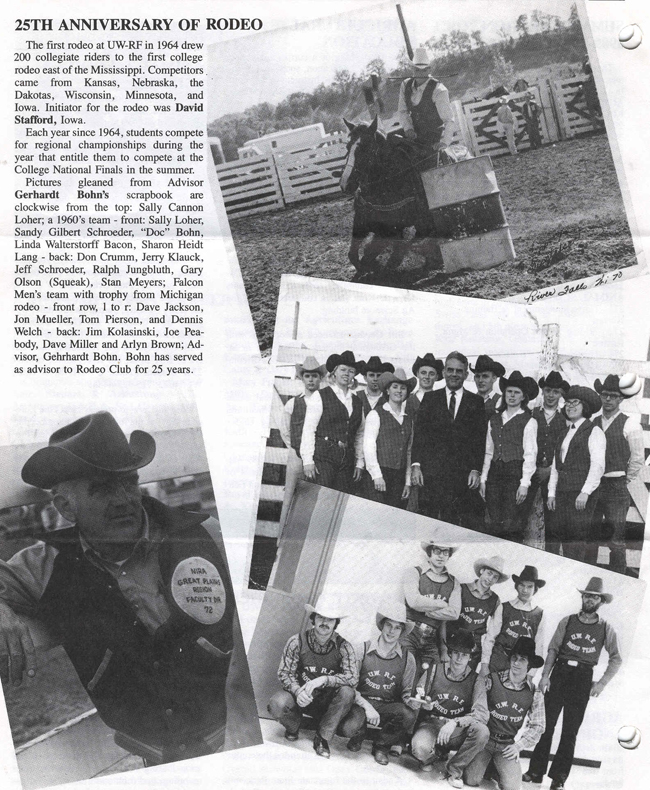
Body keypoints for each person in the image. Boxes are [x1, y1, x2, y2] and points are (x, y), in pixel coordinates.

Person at [0, 411, 257, 765]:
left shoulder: (205, 535)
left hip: (236, 737)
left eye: (128, 482)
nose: (123, 499)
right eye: (102, 489)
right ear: (64, 506)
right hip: (153, 758)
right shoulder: (46, 565)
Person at [524, 577, 622, 790]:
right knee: (546, 726)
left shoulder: (605, 628)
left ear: (601, 601)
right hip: (560, 673)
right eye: (586, 595)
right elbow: (553, 649)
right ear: (582, 597)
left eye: (594, 597)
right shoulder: (567, 621)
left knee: (570, 731)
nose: (589, 600)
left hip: (583, 678)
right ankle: (535, 771)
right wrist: (545, 676)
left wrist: (602, 683)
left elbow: (616, 658)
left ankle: (559, 778)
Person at [268, 593, 358, 759]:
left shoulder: (344, 647)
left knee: (347, 692)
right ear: (314, 618)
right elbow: (284, 672)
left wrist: (324, 679)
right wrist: (297, 691)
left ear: (336, 623)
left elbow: (352, 678)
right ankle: (293, 727)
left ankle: (322, 738)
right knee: (277, 703)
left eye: (330, 619)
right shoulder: (297, 641)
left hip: (327, 703)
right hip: (301, 698)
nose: (325, 623)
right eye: (321, 617)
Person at [411, 351, 487, 526]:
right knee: (426, 522)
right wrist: (416, 465)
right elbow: (420, 435)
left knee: (452, 523)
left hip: (461, 477)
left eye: (459, 371)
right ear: (444, 372)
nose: (454, 374)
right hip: (431, 474)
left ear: (466, 374)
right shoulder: (430, 399)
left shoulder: (475, 402)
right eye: (450, 370)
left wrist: (476, 469)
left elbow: (479, 438)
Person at [339, 602, 418, 765]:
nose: (391, 631)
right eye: (389, 625)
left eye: (397, 627)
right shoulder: (363, 648)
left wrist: (413, 702)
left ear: (402, 631)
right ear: (382, 626)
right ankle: (358, 733)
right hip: (361, 703)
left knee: (408, 714)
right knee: (348, 728)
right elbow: (350, 686)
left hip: (386, 706)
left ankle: (382, 746)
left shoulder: (408, 658)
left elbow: (405, 694)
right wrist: (367, 708)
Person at [465, 637, 545, 790]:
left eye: (522, 659)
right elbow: (476, 707)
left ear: (529, 665)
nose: (516, 663)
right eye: (514, 658)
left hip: (507, 745)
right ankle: (489, 766)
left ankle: (495, 767)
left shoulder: (534, 692)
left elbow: (539, 726)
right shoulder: (492, 680)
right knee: (471, 779)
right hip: (485, 740)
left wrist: (518, 746)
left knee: (513, 787)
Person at [411, 630, 490, 787]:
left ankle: (455, 769)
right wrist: (422, 704)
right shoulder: (434, 670)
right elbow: (417, 697)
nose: (459, 658)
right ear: (450, 653)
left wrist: (455, 722)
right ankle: (436, 754)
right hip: (432, 724)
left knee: (482, 731)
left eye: (464, 655)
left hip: (457, 730)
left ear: (470, 658)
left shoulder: (476, 680)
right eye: (456, 653)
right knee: (419, 749)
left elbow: (481, 715)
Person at [590, 374, 644, 574]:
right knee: (591, 534)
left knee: (616, 539)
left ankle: (617, 578)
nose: (608, 400)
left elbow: (638, 459)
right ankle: (588, 573)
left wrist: (624, 480)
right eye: (605, 395)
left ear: (621, 398)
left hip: (616, 487)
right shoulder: (593, 422)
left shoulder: (630, 424)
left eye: (613, 396)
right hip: (593, 486)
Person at [547, 386, 606, 563]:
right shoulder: (564, 433)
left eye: (576, 403)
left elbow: (597, 465)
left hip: (580, 495)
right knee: (556, 536)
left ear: (585, 407)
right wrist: (551, 493)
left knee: (575, 540)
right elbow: (556, 466)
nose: (570, 406)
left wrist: (585, 492)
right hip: (562, 493)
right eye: (568, 402)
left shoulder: (594, 431)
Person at [480, 372, 539, 542]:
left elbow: (530, 454)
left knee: (511, 523)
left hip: (515, 473)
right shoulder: (494, 419)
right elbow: (488, 451)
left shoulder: (529, 421)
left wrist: (524, 484)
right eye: (509, 392)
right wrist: (484, 479)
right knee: (494, 521)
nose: (512, 396)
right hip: (495, 473)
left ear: (523, 397)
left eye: (516, 392)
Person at [300, 350, 365, 494]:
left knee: (337, 503)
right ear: (334, 373)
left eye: (351, 371)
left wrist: (359, 462)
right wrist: (308, 461)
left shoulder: (357, 402)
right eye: (343, 369)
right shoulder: (320, 396)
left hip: (346, 460)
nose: (346, 374)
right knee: (319, 500)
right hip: (323, 457)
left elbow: (360, 434)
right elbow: (309, 429)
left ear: (354, 375)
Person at [278, 356, 326, 539]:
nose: (311, 379)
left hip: (318, 458)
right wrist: (296, 448)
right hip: (296, 457)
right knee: (289, 497)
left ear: (320, 378)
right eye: (307, 376)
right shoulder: (293, 403)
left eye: (315, 376)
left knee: (314, 498)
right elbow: (285, 430)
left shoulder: (325, 403)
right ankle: (281, 539)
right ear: (302, 378)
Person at [520, 372, 570, 543]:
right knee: (520, 517)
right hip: (530, 472)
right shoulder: (531, 412)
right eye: (547, 390)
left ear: (561, 394)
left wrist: (549, 470)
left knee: (553, 523)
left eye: (555, 392)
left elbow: (567, 450)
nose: (550, 395)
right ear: (542, 391)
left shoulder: (566, 417)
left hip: (552, 475)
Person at [402, 534, 461, 671]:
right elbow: (414, 601)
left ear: (449, 554)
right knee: (405, 670)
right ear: (430, 552)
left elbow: (454, 613)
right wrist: (442, 604)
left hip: (432, 637)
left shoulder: (453, 582)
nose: (441, 556)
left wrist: (425, 610)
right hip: (410, 632)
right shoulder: (414, 572)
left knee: (433, 674)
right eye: (437, 551)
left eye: (445, 552)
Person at [362, 368, 416, 509]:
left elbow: (409, 452)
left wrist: (407, 482)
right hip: (379, 474)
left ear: (407, 393)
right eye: (395, 387)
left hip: (399, 477)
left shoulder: (408, 419)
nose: (399, 391)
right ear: (387, 390)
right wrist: (377, 476)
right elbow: (369, 447)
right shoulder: (376, 414)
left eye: (403, 388)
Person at [445, 556, 509, 671]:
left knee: (466, 680)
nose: (490, 579)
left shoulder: (495, 600)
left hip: (473, 648)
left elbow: (496, 626)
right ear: (481, 571)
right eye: (489, 573)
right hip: (454, 642)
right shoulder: (462, 589)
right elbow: (447, 616)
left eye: (495, 577)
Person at [482, 566, 545, 676]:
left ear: (535, 589)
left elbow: (539, 645)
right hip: (499, 659)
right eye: (522, 585)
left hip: (520, 665)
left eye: (529, 587)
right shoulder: (504, 607)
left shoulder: (539, 614)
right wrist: (484, 665)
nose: (525, 590)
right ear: (517, 586)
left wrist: (531, 674)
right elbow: (490, 637)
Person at [397, 47, 457, 156]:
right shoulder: (405, 85)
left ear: (429, 69)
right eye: (416, 69)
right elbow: (402, 111)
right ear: (412, 69)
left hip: (433, 138)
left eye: (423, 70)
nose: (420, 73)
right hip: (413, 135)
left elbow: (449, 119)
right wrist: (408, 128)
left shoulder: (438, 90)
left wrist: (444, 143)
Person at [407, 353, 444, 417]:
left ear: (436, 377)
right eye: (423, 373)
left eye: (431, 374)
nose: (427, 377)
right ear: (417, 374)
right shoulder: (407, 400)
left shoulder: (442, 401)